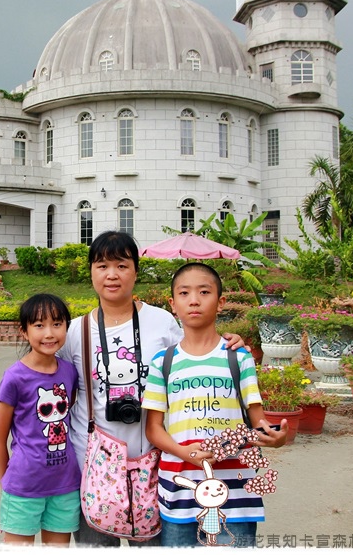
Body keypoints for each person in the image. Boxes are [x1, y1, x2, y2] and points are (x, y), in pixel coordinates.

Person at [58, 231, 246, 547]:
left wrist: (228, 344)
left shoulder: (161, 323)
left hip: (156, 466)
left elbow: (195, 356)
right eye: (102, 266)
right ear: (91, 271)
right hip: (90, 469)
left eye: (122, 265)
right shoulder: (76, 331)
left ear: (136, 271)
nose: (112, 275)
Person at [142, 262, 289, 548]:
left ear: (220, 302)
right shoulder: (163, 361)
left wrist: (276, 438)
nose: (194, 300)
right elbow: (154, 430)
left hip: (235, 494)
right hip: (179, 491)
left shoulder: (239, 358)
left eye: (204, 292)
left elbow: (257, 421)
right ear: (173, 304)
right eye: (184, 293)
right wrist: (185, 452)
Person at [0, 293, 81, 546]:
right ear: (24, 331)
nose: (49, 333)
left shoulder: (68, 371)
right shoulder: (15, 377)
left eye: (57, 324)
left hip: (65, 485)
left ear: (66, 326)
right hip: (23, 487)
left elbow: (67, 412)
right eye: (39, 325)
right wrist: (7, 484)